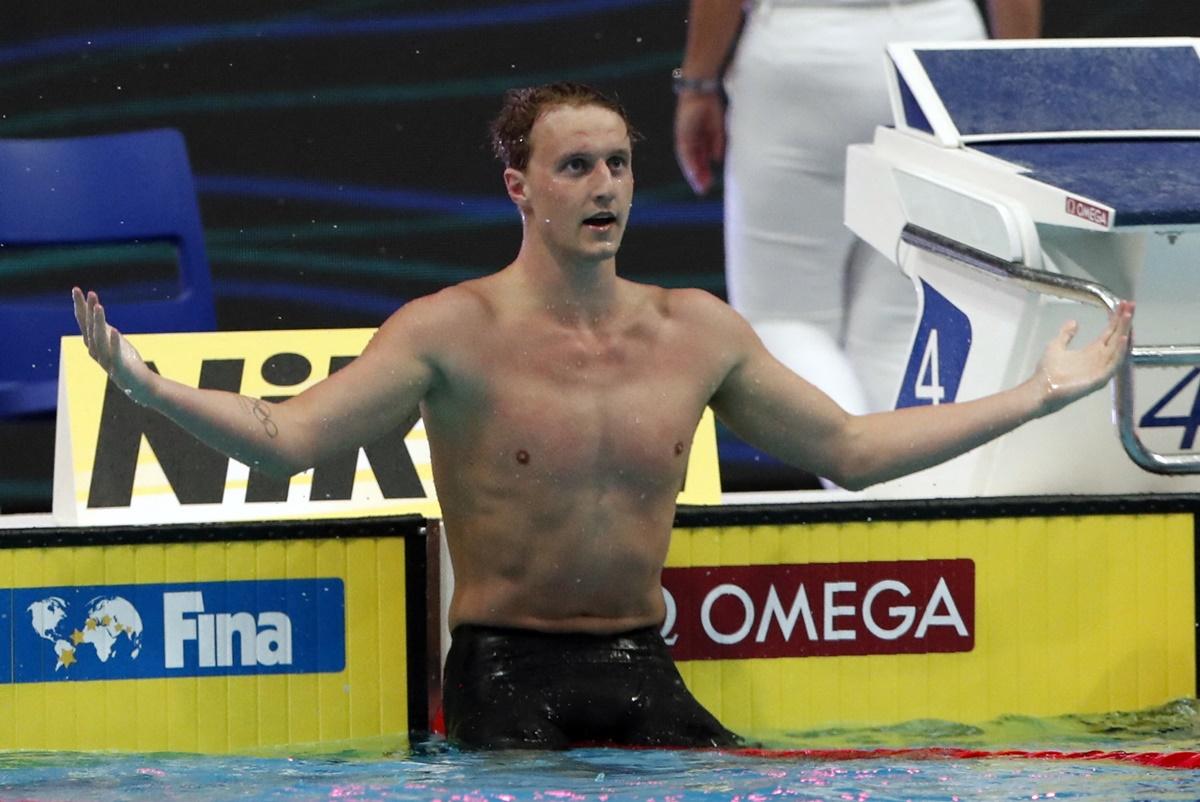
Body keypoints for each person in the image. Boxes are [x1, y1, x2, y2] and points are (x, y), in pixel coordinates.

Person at [73, 81, 1130, 750]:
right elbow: (291, 439)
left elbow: (850, 453)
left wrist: (1037, 393)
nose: (605, 185)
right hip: (499, 672)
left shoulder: (695, 331)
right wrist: (148, 386)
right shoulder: (452, 331)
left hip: (643, 661)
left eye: (618, 163)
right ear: (518, 187)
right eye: (575, 165)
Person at [673, 0, 1042, 421]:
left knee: (785, 321)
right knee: (899, 328)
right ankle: (893, 483)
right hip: (941, 53)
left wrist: (697, 84)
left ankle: (858, 482)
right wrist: (1019, 76)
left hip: (804, 56)